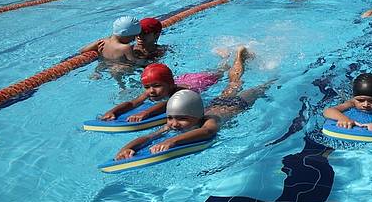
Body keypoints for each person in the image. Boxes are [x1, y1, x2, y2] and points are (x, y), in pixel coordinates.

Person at [115, 49, 275, 160]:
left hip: (237, 104)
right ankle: (237, 58)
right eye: (170, 118)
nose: (174, 123)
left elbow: (207, 132)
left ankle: (243, 58)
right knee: (232, 85)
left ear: (196, 116)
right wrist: (127, 148)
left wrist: (172, 141)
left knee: (247, 85)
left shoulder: (209, 121)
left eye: (181, 119)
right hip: (215, 103)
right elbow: (149, 136)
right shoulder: (173, 123)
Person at [102, 46, 249, 123]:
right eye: (147, 87)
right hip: (182, 78)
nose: (151, 91)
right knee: (219, 69)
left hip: (200, 81)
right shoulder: (153, 88)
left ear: (170, 85)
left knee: (226, 75)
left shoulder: (178, 92)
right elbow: (133, 102)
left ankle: (237, 57)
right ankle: (225, 57)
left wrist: (146, 113)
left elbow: (166, 105)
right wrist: (114, 111)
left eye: (156, 86)